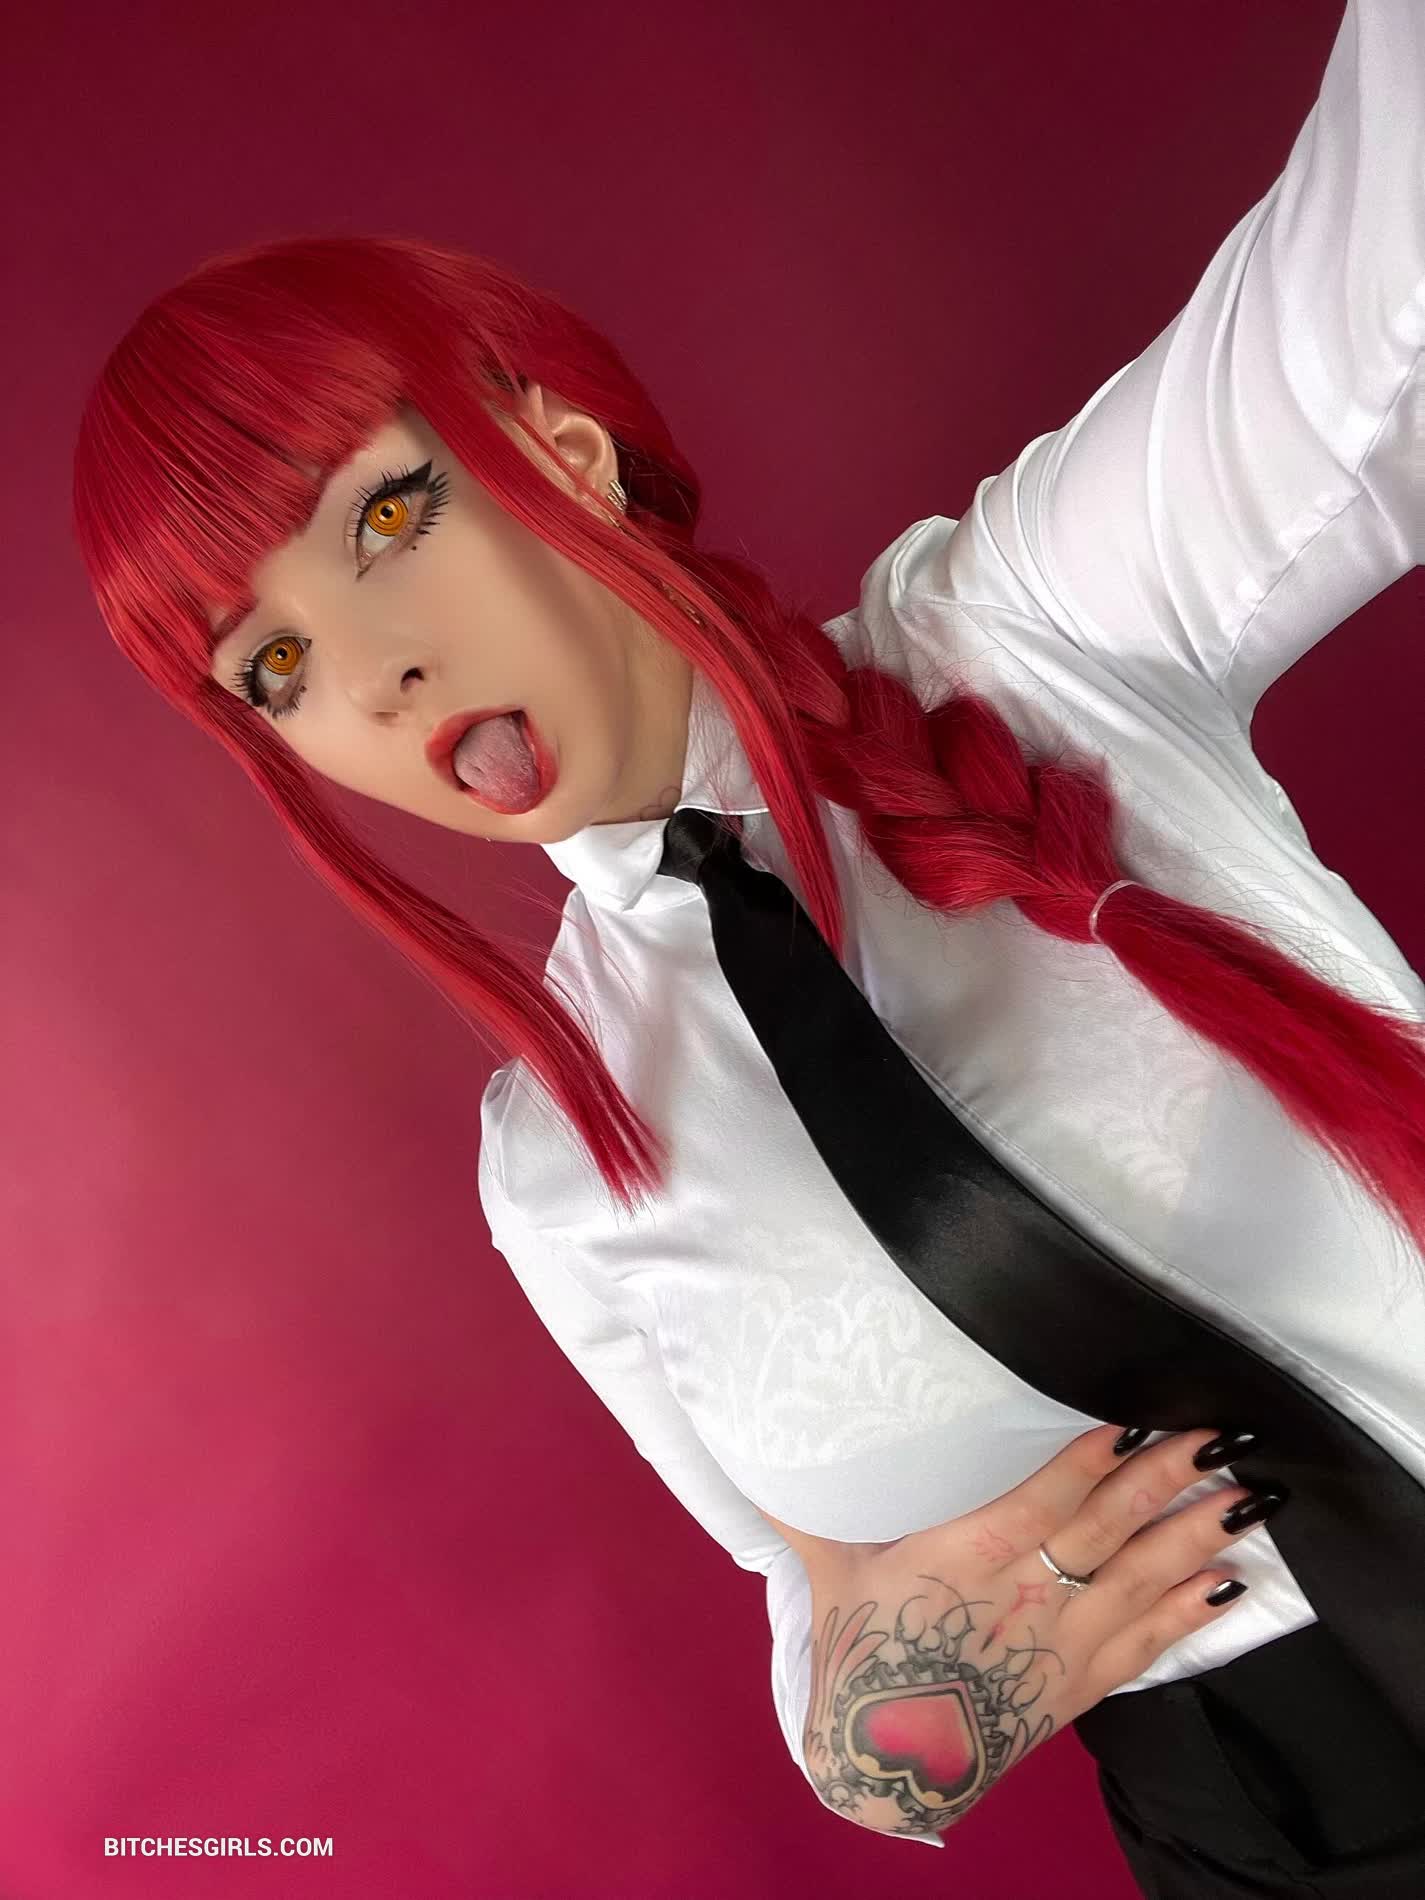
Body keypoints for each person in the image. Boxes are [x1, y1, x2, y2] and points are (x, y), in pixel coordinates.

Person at [70, 0, 1423, 1889]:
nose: (372, 673)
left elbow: (1380, 273)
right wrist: (902, 1740)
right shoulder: (560, 1167)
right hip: (1268, 1847)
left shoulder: (1034, 637)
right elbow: (820, 1627)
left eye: (385, 515)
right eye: (273, 665)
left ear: (562, 452)